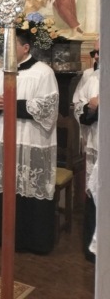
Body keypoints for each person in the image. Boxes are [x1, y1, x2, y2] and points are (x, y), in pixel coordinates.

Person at [0, 29, 59, 254]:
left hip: (31, 139)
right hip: (4, 135)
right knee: (5, 184)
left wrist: (12, 104)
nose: (6, 51)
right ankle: (0, 235)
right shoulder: (2, 72)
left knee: (30, 185)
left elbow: (48, 108)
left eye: (11, 46)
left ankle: (32, 241)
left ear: (26, 48)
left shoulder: (43, 72)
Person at [73, 42, 99, 263]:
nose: (96, 56)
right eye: (94, 52)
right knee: (94, 192)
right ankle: (93, 248)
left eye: (100, 52)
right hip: (97, 142)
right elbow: (78, 105)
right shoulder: (92, 78)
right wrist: (90, 108)